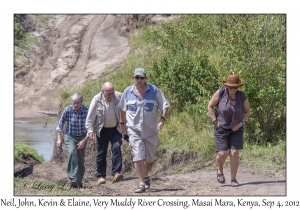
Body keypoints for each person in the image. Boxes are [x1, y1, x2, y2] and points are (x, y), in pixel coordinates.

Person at [119, 67, 170, 193]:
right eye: (137, 77)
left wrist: (162, 119)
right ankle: (141, 183)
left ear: (145, 78)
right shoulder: (127, 92)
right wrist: (122, 124)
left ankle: (145, 174)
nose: (139, 80)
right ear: (133, 78)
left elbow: (164, 105)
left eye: (142, 78)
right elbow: (122, 108)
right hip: (134, 130)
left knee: (150, 159)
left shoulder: (154, 90)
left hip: (151, 131)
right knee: (138, 155)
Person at [208, 74, 251, 187]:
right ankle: (220, 170)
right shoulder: (221, 93)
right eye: (230, 87)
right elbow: (210, 106)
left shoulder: (242, 96)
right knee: (223, 153)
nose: (233, 90)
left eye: (235, 87)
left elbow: (247, 112)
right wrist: (215, 121)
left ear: (238, 87)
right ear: (227, 86)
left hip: (237, 128)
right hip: (221, 128)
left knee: (234, 153)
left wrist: (240, 124)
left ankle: (233, 179)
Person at [85, 82, 124, 185]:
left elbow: (126, 112)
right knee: (101, 153)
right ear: (103, 92)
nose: (111, 95)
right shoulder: (96, 100)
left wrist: (125, 127)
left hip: (116, 129)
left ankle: (116, 173)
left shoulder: (119, 97)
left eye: (112, 93)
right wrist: (90, 131)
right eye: (108, 93)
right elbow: (90, 118)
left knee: (116, 147)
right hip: (101, 130)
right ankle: (100, 176)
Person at [56, 93, 89, 189]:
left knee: (80, 160)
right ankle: (72, 177)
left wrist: (84, 140)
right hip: (70, 136)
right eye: (74, 103)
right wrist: (59, 138)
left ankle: (78, 183)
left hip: (83, 136)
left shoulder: (87, 111)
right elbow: (60, 124)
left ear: (81, 102)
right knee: (71, 152)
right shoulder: (68, 110)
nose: (75, 105)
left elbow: (91, 128)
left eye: (77, 103)